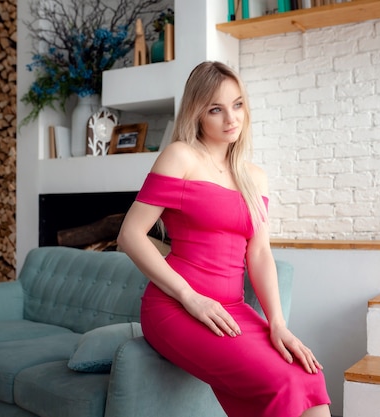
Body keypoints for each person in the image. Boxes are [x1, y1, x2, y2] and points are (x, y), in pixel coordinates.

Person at [117, 61, 331, 417]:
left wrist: (278, 323)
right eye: (216, 109)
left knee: (309, 377)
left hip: (232, 309)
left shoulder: (254, 177)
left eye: (238, 104)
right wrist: (191, 297)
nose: (231, 118)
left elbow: (259, 253)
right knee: (286, 382)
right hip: (177, 308)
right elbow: (129, 235)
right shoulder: (180, 157)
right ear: (198, 113)